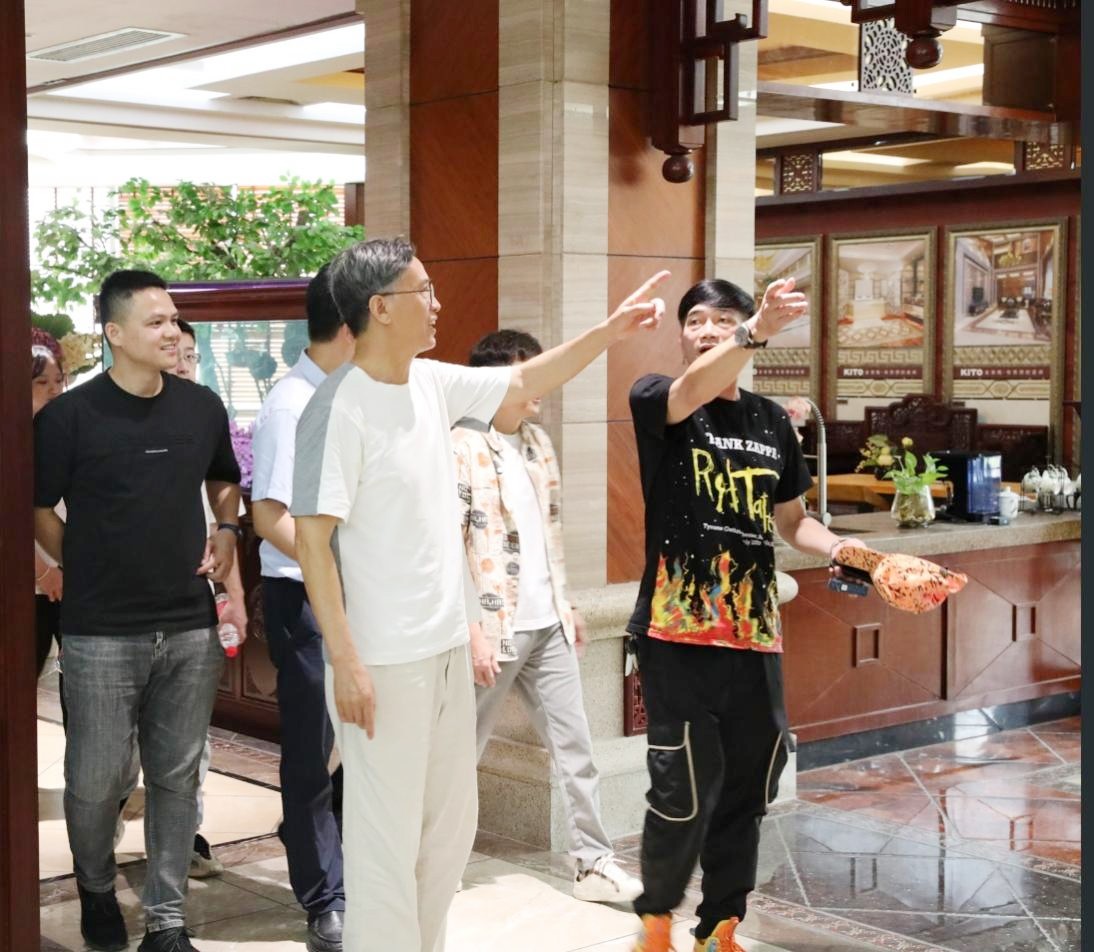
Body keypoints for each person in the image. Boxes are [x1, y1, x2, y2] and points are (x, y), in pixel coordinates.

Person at [292, 236, 667, 952]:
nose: (437, 304)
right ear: (380, 307)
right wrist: (346, 662)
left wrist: (610, 331)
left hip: (443, 649)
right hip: (383, 661)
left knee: (447, 831)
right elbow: (312, 543)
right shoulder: (337, 408)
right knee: (386, 839)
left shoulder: (431, 383)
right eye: (423, 290)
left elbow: (526, 379)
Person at [625, 278, 864, 952]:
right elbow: (694, 390)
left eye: (722, 319)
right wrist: (754, 329)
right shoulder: (657, 398)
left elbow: (792, 521)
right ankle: (656, 921)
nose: (707, 330)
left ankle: (720, 926)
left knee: (749, 789)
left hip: (755, 634)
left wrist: (842, 548)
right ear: (681, 335)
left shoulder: (770, 422)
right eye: (695, 320)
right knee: (682, 788)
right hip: (675, 631)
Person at [34, 269, 244, 952]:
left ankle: (166, 919)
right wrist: (82, 561)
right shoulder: (68, 417)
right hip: (99, 631)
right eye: (155, 322)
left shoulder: (201, 407)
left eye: (173, 320)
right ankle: (96, 886)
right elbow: (38, 506)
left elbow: (224, 478)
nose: (171, 332)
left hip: (188, 625)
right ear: (114, 333)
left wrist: (226, 528)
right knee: (96, 780)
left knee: (178, 777)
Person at [453, 329, 642, 904]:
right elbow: (449, 543)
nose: (541, 383)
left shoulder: (537, 441)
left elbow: (550, 533)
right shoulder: (459, 444)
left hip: (547, 624)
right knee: (458, 752)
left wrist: (568, 603)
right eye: (528, 372)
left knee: (576, 746)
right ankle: (436, 861)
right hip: (492, 627)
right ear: (497, 380)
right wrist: (471, 627)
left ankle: (592, 862)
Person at [249, 266, 355, 952]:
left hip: (353, 593)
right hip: (307, 595)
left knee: (357, 745)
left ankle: (337, 862)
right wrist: (334, 577)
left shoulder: (353, 394)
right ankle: (324, 899)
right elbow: (270, 516)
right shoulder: (293, 404)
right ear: (350, 326)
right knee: (312, 754)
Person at [169, 317, 248, 880]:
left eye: (191, 356)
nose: (182, 364)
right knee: (120, 755)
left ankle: (184, 836)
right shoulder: (106, 418)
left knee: (192, 737)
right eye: (174, 351)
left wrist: (236, 596)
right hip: (125, 610)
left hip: (195, 602)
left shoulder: (205, 420)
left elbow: (224, 524)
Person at [32, 329, 66, 678]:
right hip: (30, 581)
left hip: (65, 577)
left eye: (59, 380)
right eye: (42, 382)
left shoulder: (60, 434)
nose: (54, 390)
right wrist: (43, 572)